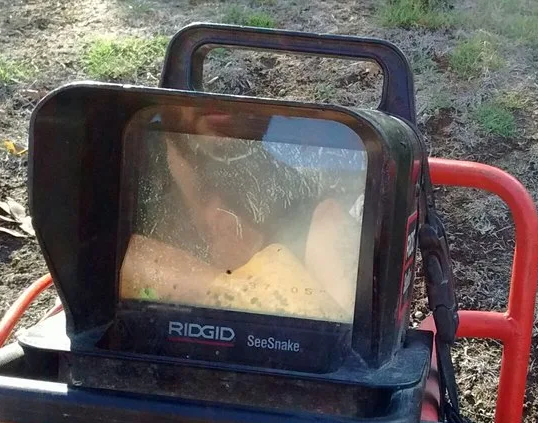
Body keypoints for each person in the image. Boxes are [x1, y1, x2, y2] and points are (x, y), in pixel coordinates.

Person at [118, 106, 364, 323]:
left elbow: (343, 352)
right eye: (201, 84)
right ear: (166, 96)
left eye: (249, 95)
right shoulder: (115, 162)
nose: (224, 100)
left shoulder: (319, 221)